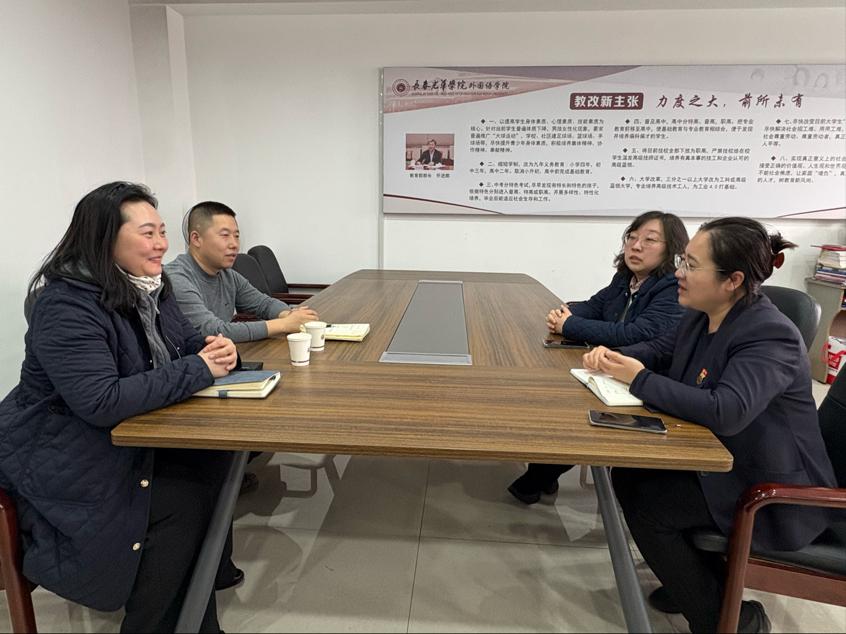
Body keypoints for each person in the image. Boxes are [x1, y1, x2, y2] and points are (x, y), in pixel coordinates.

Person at [0, 182, 238, 632]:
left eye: (162, 231)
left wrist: (217, 349)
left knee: (213, 465)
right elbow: (102, 400)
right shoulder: (65, 303)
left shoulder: (150, 285)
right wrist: (200, 368)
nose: (161, 244)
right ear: (105, 238)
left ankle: (198, 623)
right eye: (148, 233)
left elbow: (186, 342)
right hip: (59, 454)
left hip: (109, 439)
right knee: (181, 503)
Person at [583, 217, 836, 633]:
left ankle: (728, 621)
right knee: (632, 475)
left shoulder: (769, 334)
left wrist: (638, 378)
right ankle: (695, 581)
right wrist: (614, 357)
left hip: (771, 487)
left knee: (649, 502)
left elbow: (727, 411)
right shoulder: (702, 314)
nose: (679, 273)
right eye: (682, 260)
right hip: (726, 459)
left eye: (691, 265)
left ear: (732, 280)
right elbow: (659, 350)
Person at [508, 210, 689, 504]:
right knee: (555, 393)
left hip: (646, 378)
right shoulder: (626, 278)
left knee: (574, 409)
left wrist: (569, 325)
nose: (636, 246)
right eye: (632, 237)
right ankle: (543, 475)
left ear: (673, 249)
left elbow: (633, 333)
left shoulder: (672, 288)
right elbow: (595, 306)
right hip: (607, 366)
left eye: (649, 240)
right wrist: (564, 312)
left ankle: (538, 477)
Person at [165, 200, 318, 343]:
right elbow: (212, 331)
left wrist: (289, 315)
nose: (234, 244)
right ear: (196, 239)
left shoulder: (227, 275)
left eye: (236, 236)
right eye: (225, 235)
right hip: (193, 360)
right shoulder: (176, 278)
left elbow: (263, 303)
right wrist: (283, 324)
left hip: (222, 356)